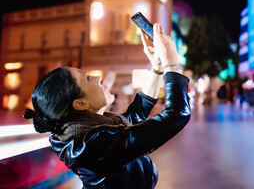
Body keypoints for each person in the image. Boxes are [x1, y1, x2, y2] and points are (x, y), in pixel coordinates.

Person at [23, 23, 191, 189]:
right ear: (80, 104)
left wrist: (158, 68)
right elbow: (176, 114)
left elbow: (132, 118)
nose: (97, 78)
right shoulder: (93, 147)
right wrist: (172, 63)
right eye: (87, 79)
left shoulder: (87, 132)